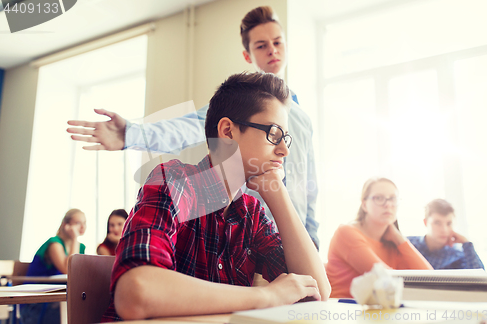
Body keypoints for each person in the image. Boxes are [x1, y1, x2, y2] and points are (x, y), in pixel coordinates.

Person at [66, 6, 320, 249]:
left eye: (277, 42)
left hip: (296, 241)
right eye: (261, 46)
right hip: (252, 242)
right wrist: (131, 134)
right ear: (248, 55)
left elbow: (309, 184)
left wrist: (312, 241)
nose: (272, 51)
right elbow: (184, 128)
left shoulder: (303, 120)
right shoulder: (239, 107)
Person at [100, 72, 330, 321]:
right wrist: (267, 297)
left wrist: (277, 193)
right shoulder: (174, 182)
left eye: (285, 138)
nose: (284, 149)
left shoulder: (251, 212)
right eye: (274, 134)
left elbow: (317, 290)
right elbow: (136, 293)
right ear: (228, 131)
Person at [325, 178, 432, 298]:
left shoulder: (393, 242)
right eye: (379, 198)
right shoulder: (346, 233)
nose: (388, 204)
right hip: (344, 309)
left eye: (393, 198)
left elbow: (430, 279)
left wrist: (400, 239)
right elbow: (388, 280)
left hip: (378, 310)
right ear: (364, 205)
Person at [21, 208, 87, 324]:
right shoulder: (54, 243)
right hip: (37, 301)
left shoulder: (80, 247)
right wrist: (75, 238)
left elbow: (80, 273)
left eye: (84, 223)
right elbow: (68, 270)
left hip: (56, 299)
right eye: (77, 223)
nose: (82, 227)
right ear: (66, 225)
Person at [407, 199, 484, 270]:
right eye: (437, 223)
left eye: (449, 223)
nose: (444, 230)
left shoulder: (457, 255)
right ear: (426, 222)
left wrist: (466, 243)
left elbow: (480, 280)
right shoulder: (407, 244)